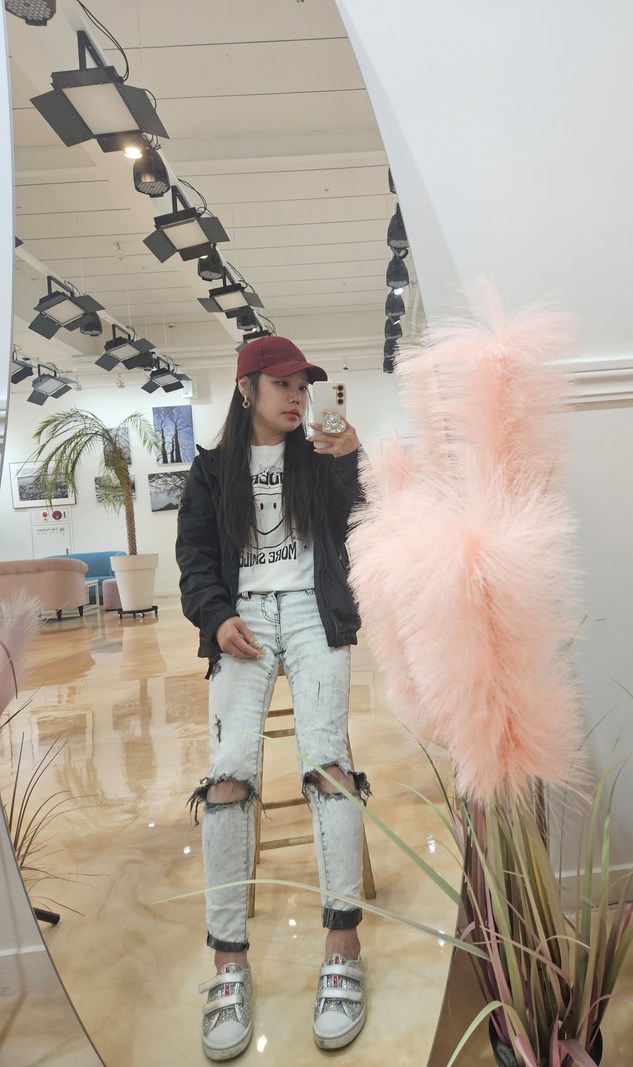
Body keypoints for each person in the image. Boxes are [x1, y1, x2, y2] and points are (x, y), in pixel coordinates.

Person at [176, 335, 369, 1061]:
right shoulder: (210, 471)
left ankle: (343, 948)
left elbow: (358, 525)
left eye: (302, 385)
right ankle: (229, 963)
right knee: (228, 778)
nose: (296, 396)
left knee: (329, 768)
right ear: (246, 389)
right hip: (244, 618)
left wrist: (349, 459)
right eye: (282, 383)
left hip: (315, 611)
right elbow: (196, 558)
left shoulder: (316, 457)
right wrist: (215, 615)